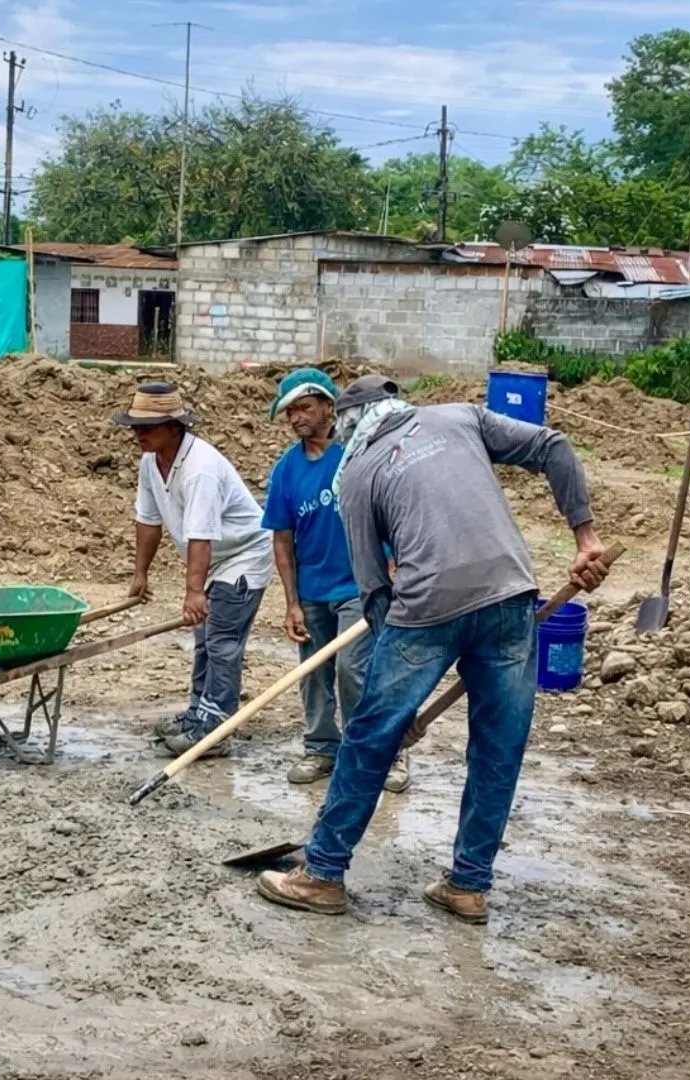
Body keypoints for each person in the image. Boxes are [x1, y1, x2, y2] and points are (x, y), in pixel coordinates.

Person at [255, 375, 609, 924]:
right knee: (498, 747)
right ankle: (468, 886)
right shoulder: (460, 416)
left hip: (425, 610)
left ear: (349, 425)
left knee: (368, 738)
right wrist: (585, 538)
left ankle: (322, 873)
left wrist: (391, 702)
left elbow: (373, 590)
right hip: (511, 597)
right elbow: (552, 446)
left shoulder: (358, 473)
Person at [261, 368, 408, 792]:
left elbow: (392, 509)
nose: (297, 418)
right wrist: (291, 601)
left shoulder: (357, 453)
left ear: (330, 407)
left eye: (305, 408)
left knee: (354, 669)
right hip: (312, 591)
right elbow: (282, 540)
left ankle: (384, 753)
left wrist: (396, 562)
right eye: (290, 412)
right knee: (313, 672)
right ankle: (322, 747)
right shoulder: (286, 470)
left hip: (359, 586)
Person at [117, 382, 274, 758]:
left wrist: (193, 592)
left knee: (221, 640)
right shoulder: (150, 462)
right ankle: (198, 712)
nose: (138, 434)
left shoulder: (199, 468)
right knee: (204, 638)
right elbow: (148, 520)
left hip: (243, 553)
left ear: (174, 427)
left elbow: (200, 535)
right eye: (135, 426)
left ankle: (217, 726)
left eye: (147, 427)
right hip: (214, 556)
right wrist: (141, 574)